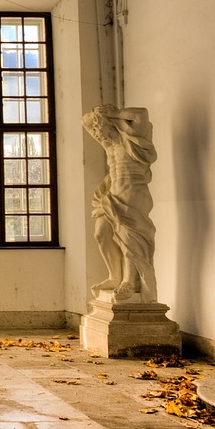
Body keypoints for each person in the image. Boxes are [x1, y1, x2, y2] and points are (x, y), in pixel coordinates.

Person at [82, 104, 157, 303]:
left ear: (111, 124)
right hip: (113, 193)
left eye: (101, 129)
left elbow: (142, 113)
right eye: (98, 131)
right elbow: (85, 121)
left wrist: (113, 114)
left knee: (129, 240)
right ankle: (114, 276)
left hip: (133, 192)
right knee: (101, 233)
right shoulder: (109, 144)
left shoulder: (133, 138)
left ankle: (129, 282)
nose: (98, 134)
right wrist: (98, 115)